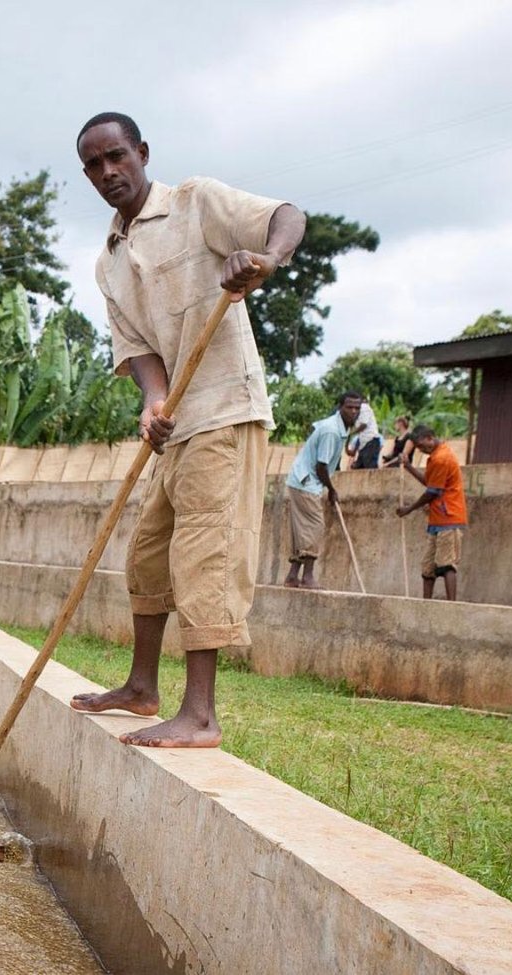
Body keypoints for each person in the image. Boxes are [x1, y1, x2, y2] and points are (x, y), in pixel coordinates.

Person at [68, 111, 306, 748]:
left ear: (142, 152)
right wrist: (153, 400)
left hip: (225, 410)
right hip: (176, 424)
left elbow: (287, 216)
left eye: (116, 156)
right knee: (148, 556)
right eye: (93, 164)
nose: (107, 171)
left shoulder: (196, 203)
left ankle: (199, 715)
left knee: (206, 556)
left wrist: (266, 260)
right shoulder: (109, 262)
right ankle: (141, 687)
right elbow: (139, 348)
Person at [283, 393, 363, 589]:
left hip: (301, 480)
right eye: (349, 407)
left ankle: (292, 576)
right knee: (315, 527)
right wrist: (332, 489)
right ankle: (307, 577)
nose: (353, 411)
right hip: (306, 481)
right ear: (340, 407)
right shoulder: (331, 431)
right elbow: (321, 466)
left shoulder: (341, 428)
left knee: (302, 529)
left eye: (357, 408)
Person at [396, 425, 467, 600]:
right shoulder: (435, 457)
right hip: (437, 519)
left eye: (421, 445)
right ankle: (426, 604)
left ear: (430, 438)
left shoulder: (441, 458)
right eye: (418, 447)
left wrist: (409, 509)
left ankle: (451, 607)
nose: (421, 450)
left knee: (447, 564)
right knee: (428, 568)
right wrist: (409, 466)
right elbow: (430, 482)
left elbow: (432, 492)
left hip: (449, 518)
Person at [346, 398, 382, 469]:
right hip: (364, 444)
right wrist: (351, 449)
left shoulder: (364, 407)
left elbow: (364, 425)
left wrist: (351, 433)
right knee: (358, 468)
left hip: (371, 442)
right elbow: (360, 435)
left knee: (370, 469)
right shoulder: (355, 414)